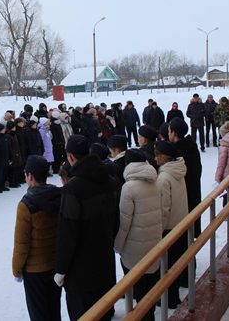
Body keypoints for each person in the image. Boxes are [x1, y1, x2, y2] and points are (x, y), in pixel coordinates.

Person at [54, 135, 119, 321]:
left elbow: (68, 234)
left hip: (80, 273)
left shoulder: (73, 189)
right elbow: (116, 220)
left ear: (70, 157)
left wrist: (61, 269)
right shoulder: (109, 179)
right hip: (104, 263)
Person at [12, 155, 62, 321]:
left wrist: (16, 270)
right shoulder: (58, 195)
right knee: (54, 308)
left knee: (39, 313)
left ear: (30, 176)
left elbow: (21, 243)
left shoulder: (26, 204)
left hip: (35, 270)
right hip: (56, 264)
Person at [114, 149, 162, 321]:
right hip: (153, 242)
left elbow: (124, 223)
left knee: (137, 288)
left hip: (134, 248)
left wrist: (118, 246)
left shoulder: (128, 188)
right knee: (149, 288)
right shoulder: (155, 182)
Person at [154, 141, 188, 308]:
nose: (155, 158)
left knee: (168, 266)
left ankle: (170, 297)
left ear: (163, 157)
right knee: (175, 262)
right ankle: (172, 296)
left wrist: (159, 230)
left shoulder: (164, 177)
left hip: (169, 227)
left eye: (157, 155)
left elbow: (164, 208)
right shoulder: (178, 170)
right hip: (181, 221)